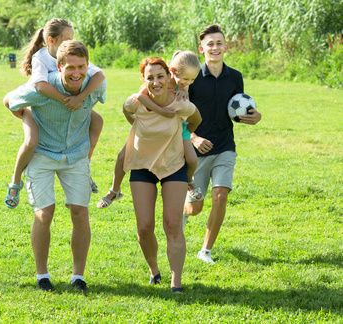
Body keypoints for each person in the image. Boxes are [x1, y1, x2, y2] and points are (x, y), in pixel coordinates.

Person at [3, 40, 107, 292]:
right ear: (58, 66)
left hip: (76, 156)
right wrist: (29, 118)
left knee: (81, 213)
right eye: (70, 67)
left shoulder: (95, 86)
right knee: (44, 213)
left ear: (87, 66)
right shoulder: (42, 87)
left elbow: (97, 113)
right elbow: (9, 100)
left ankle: (78, 276)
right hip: (42, 155)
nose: (76, 73)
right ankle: (42, 276)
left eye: (81, 67)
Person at [5, 18, 105, 209]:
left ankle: (86, 164)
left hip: (63, 106)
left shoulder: (71, 56)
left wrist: (80, 97)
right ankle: (15, 180)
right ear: (51, 40)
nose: (69, 43)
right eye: (66, 39)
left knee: (97, 121)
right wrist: (66, 100)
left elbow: (99, 75)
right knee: (31, 141)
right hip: (36, 103)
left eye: (72, 39)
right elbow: (41, 86)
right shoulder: (41, 58)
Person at [184, 24, 262, 264]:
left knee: (220, 196)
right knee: (195, 208)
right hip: (197, 150)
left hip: (225, 146)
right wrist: (194, 138)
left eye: (219, 43)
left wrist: (254, 117)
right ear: (202, 48)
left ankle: (205, 250)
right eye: (210, 44)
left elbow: (239, 108)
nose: (215, 47)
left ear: (225, 47)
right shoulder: (193, 76)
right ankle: (184, 211)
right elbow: (181, 114)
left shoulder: (235, 77)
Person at [122, 55, 202, 293]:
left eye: (160, 76)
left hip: (173, 166)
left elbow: (196, 118)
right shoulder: (136, 101)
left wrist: (183, 131)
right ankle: (154, 270)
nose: (156, 81)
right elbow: (128, 112)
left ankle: (176, 282)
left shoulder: (181, 103)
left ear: (168, 77)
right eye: (150, 77)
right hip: (143, 165)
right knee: (144, 227)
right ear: (143, 80)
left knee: (173, 224)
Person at [97, 51, 202, 209]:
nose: (188, 82)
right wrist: (160, 112)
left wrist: (183, 133)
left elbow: (193, 115)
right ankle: (114, 190)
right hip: (153, 125)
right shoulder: (156, 81)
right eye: (186, 79)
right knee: (122, 157)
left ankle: (189, 180)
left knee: (192, 160)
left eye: (192, 79)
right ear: (172, 72)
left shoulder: (183, 87)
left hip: (178, 127)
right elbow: (140, 97)